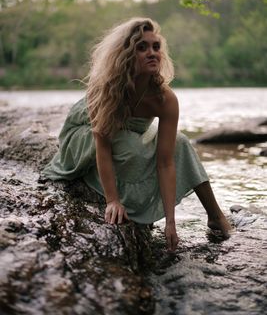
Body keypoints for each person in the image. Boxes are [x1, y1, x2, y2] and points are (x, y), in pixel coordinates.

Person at [43, 17, 232, 251]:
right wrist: (112, 200)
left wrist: (171, 223)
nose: (152, 52)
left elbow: (165, 163)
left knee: (180, 141)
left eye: (155, 46)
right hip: (84, 133)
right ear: (126, 55)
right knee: (127, 145)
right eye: (141, 47)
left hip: (127, 134)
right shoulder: (104, 88)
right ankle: (127, 198)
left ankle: (215, 215)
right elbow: (103, 145)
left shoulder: (165, 98)